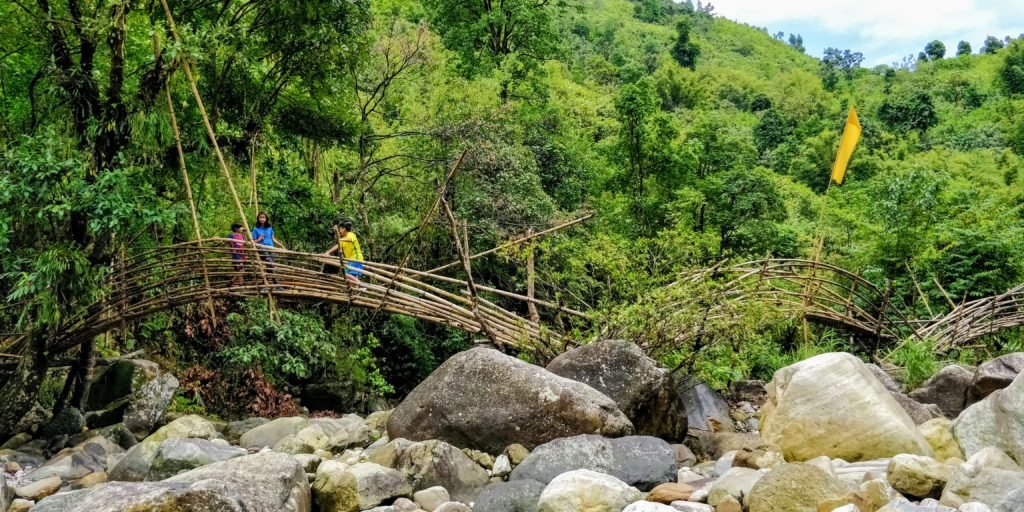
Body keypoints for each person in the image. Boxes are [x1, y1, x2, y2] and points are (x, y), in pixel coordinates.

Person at [325, 220, 364, 287]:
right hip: (352, 259)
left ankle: (361, 285)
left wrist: (339, 239)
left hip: (355, 257)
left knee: (345, 273)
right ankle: (357, 289)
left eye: (340, 229)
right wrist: (328, 252)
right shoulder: (343, 239)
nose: (340, 231)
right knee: (352, 276)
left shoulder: (351, 234)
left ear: (344, 229)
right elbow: (338, 246)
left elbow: (350, 239)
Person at [252, 212, 285, 286]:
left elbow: (273, 238)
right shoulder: (255, 229)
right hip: (262, 248)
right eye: (260, 217)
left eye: (263, 217)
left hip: (271, 248)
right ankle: (276, 283)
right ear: (258, 219)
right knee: (270, 263)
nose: (262, 219)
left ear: (266, 218)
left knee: (271, 265)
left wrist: (281, 245)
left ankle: (264, 283)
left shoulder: (270, 228)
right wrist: (259, 239)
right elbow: (253, 241)